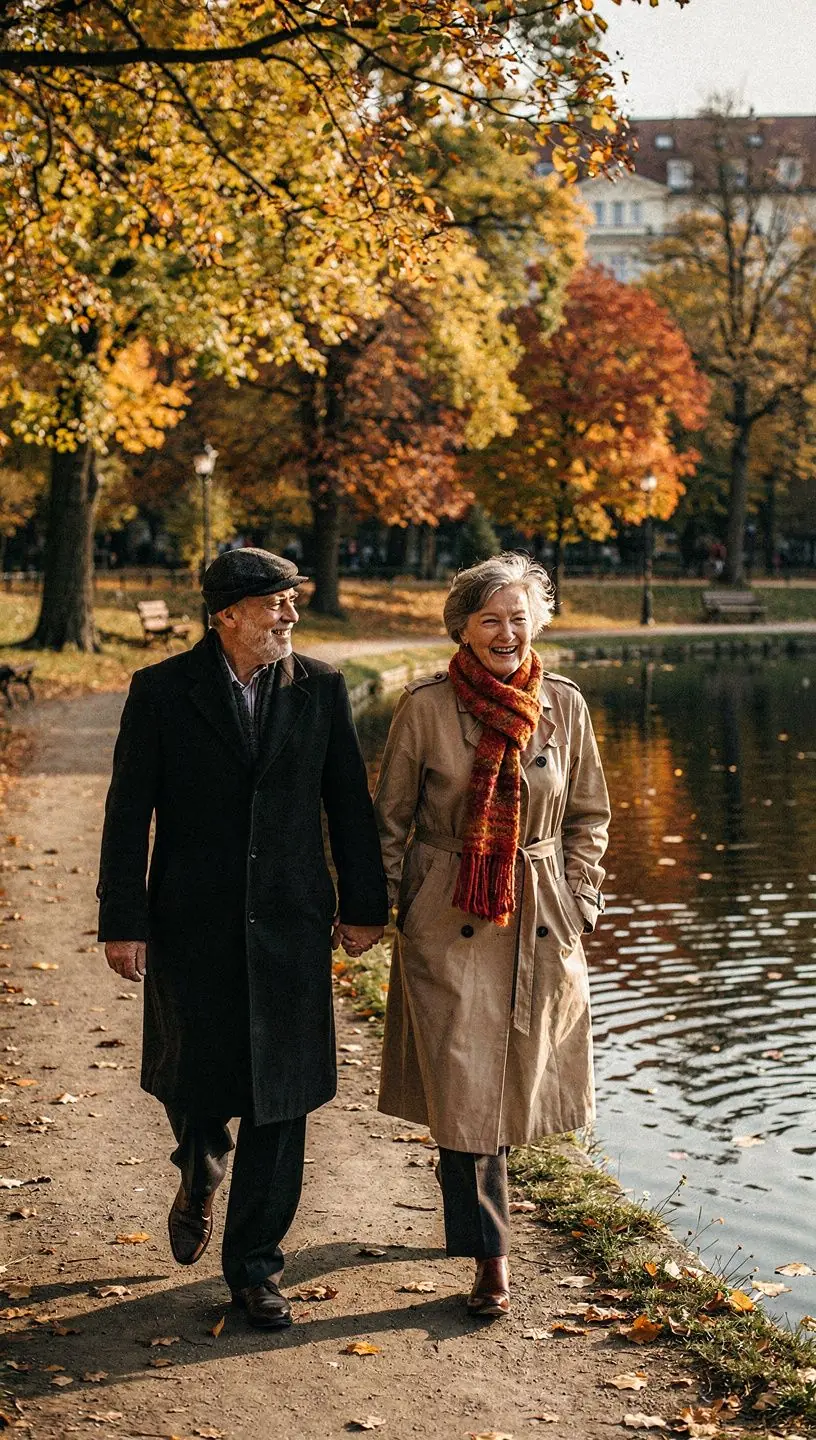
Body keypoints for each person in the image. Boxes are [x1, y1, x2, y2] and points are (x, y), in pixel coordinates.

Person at [98, 548, 387, 1329]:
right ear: (225, 613)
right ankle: (199, 1167)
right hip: (190, 923)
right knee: (192, 1079)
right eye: (274, 604)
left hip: (291, 923)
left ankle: (255, 1268)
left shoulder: (320, 689)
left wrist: (365, 905)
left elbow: (348, 807)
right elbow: (129, 814)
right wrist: (123, 921)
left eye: (292, 601)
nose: (290, 614)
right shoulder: (160, 692)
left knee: (282, 1101)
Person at [374, 552, 610, 1318]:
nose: (507, 632)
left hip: (540, 911)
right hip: (450, 912)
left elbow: (589, 817)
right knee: (465, 1080)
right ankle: (490, 1257)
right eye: (490, 619)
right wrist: (384, 910)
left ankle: (482, 1231)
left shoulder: (565, 705)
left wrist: (580, 899)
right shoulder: (425, 709)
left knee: (506, 1083)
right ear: (464, 628)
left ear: (537, 621)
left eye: (519, 617)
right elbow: (390, 823)